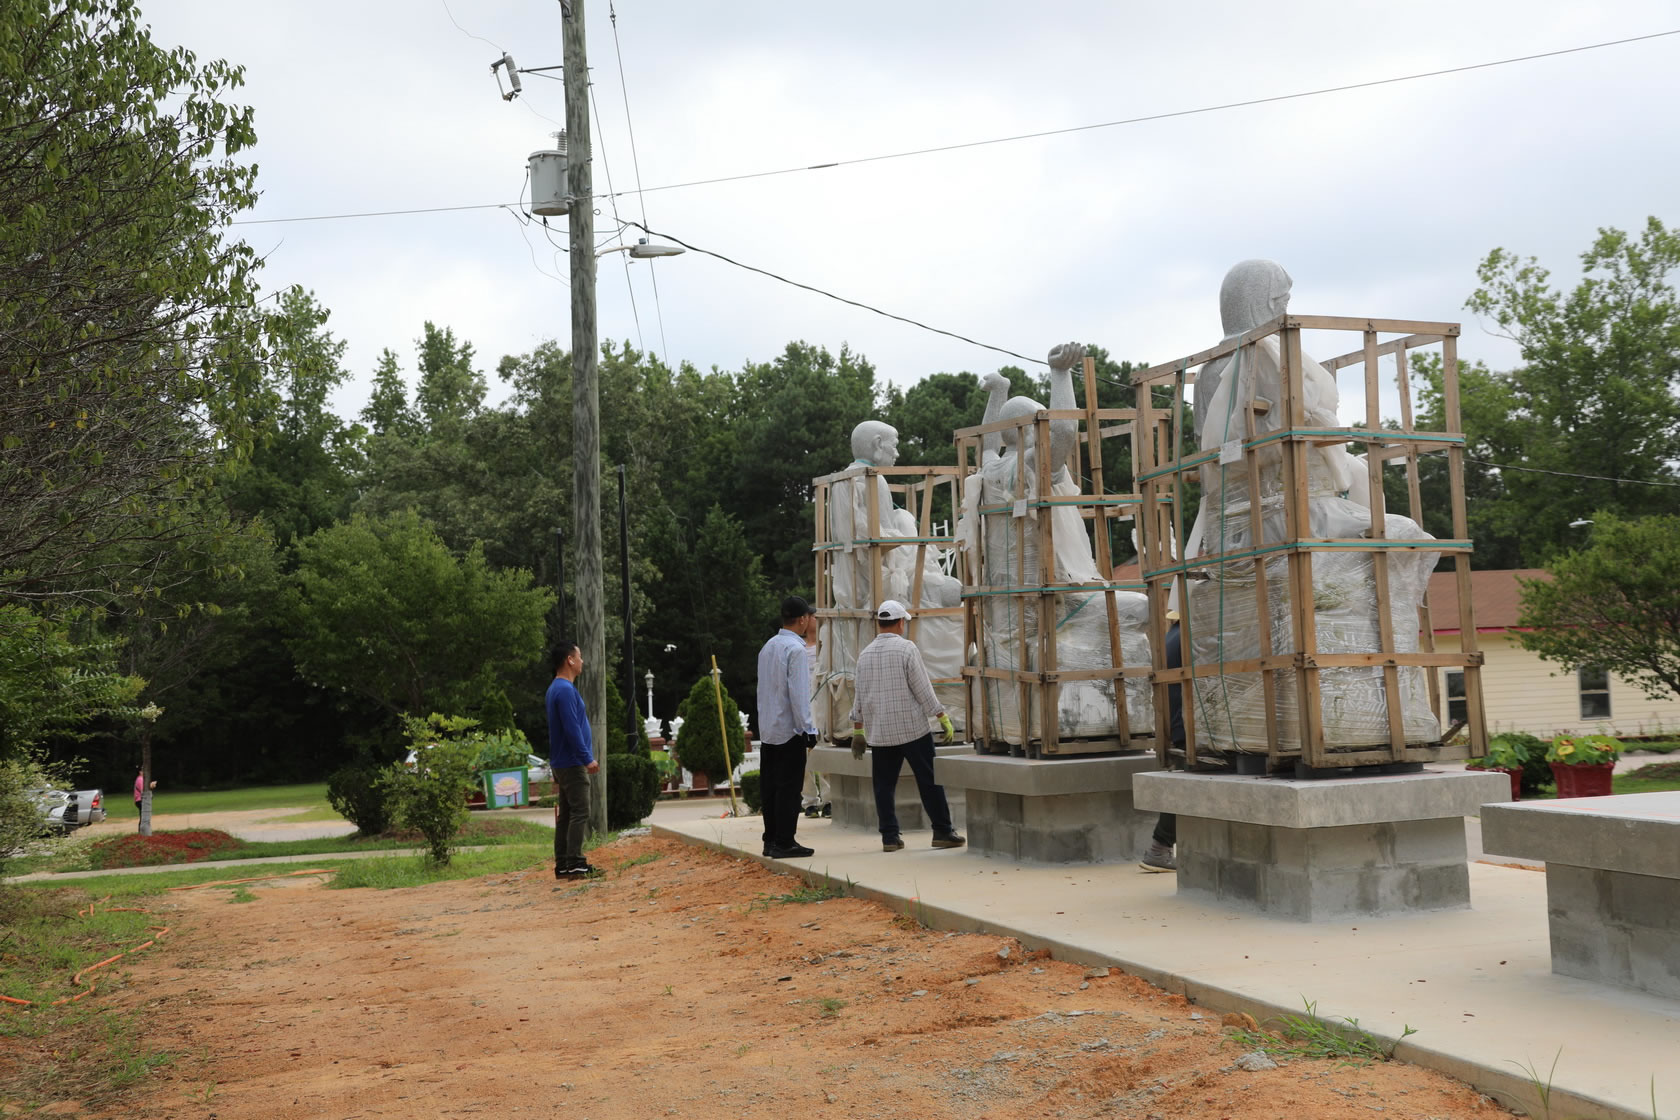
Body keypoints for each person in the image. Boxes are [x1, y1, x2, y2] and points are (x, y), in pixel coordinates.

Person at [850, 600, 964, 852]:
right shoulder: (907, 649)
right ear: (901, 623)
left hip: (881, 732)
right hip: (912, 729)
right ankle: (942, 831)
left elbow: (859, 695)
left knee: (883, 786)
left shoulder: (865, 654)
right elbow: (922, 688)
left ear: (879, 623)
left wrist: (858, 730)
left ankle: (890, 838)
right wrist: (941, 715)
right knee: (929, 780)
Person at [756, 596, 819, 859]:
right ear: (802, 619)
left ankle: (770, 839)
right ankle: (785, 841)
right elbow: (799, 694)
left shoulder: (768, 647)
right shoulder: (796, 650)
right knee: (789, 789)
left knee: (770, 788)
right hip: (790, 730)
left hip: (769, 729)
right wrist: (808, 728)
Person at [546, 640, 599, 877]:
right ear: (570, 660)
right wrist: (586, 758)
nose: (582, 661)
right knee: (580, 812)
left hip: (562, 761)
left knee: (567, 815)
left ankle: (563, 864)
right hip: (572, 762)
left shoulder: (555, 688)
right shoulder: (565, 690)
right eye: (579, 656)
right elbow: (572, 728)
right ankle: (576, 862)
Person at [1141, 619, 1184, 873]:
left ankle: (1160, 848)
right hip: (1187, 724)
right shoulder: (1188, 635)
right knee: (1185, 784)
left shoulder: (1173, 634)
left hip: (1177, 722)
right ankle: (1159, 849)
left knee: (1183, 781)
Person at [799, 622, 830, 818]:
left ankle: (829, 799)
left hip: (822, 707)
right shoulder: (798, 648)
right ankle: (809, 801)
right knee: (804, 758)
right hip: (803, 708)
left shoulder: (825, 647)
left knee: (824, 753)